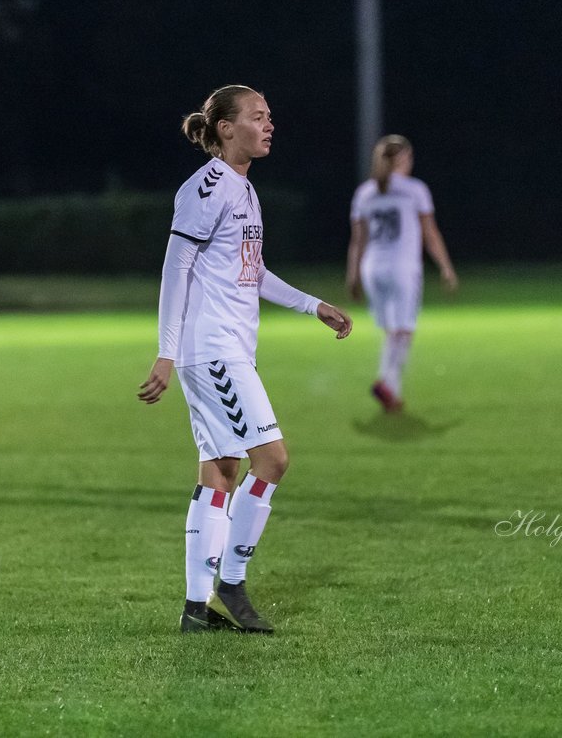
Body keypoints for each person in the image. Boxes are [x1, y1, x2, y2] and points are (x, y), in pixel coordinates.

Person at [138, 85, 353, 634]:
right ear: (227, 129)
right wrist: (166, 353)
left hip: (226, 350)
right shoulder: (208, 187)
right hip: (211, 351)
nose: (269, 124)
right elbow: (175, 268)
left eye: (270, 116)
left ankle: (194, 608)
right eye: (258, 117)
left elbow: (250, 270)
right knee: (273, 459)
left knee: (220, 471)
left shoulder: (245, 190)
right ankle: (230, 581)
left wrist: (313, 305)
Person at [345, 135, 457, 414]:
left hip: (373, 268)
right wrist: (445, 266)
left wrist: (353, 275)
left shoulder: (365, 192)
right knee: (403, 330)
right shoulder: (414, 190)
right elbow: (430, 233)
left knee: (392, 332)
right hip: (402, 267)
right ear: (403, 160)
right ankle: (386, 383)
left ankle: (390, 391)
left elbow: (358, 240)